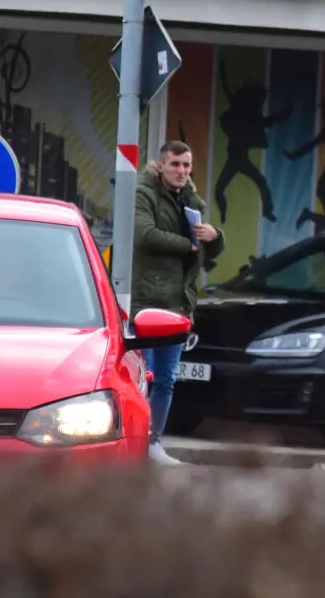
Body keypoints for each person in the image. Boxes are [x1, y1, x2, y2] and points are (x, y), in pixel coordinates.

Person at [132, 140, 224, 464]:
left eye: (186, 165)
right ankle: (134, 441)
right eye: (175, 164)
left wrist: (215, 235)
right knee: (144, 376)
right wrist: (188, 245)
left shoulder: (190, 197)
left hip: (176, 303)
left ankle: (154, 442)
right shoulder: (144, 192)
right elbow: (144, 234)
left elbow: (205, 244)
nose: (182, 171)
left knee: (167, 378)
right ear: (161, 166)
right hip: (146, 302)